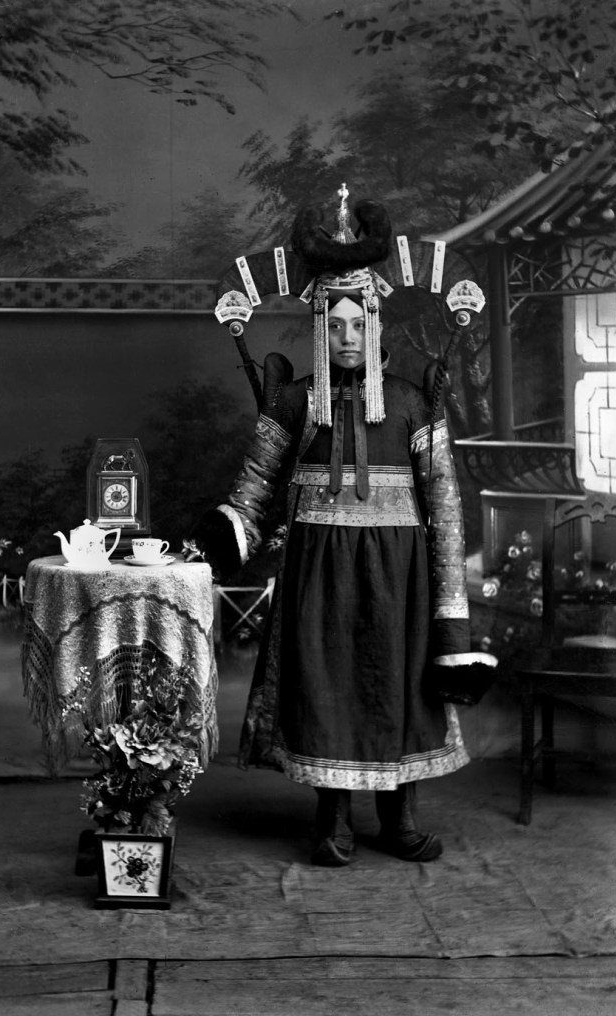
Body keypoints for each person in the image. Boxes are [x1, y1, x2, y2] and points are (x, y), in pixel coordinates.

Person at [190, 186, 476, 867]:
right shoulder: (294, 401)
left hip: (400, 575)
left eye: (359, 324)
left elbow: (443, 504)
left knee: (402, 688)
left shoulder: (410, 402)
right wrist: (222, 535)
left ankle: (399, 818)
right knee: (325, 686)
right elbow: (255, 485)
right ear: (320, 327)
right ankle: (332, 819)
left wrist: (449, 608)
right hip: (319, 572)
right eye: (335, 325)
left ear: (375, 325)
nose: (347, 336)